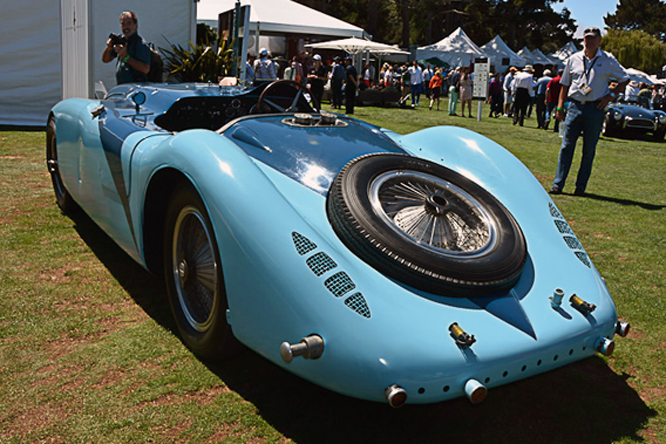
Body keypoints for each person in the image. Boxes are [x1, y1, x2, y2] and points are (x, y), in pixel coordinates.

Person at [549, 27, 629, 196]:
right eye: (587, 38)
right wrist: (560, 106)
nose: (589, 41)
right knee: (566, 147)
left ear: (599, 40)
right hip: (575, 106)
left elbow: (625, 79)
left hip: (595, 108)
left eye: (593, 38)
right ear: (583, 40)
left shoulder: (607, 59)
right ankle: (558, 184)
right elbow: (565, 84)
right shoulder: (573, 58)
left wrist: (610, 96)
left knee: (589, 149)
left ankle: (580, 187)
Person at [102, 11, 151, 85]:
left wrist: (125, 56)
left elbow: (145, 69)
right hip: (122, 87)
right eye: (123, 24)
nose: (125, 27)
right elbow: (105, 60)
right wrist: (109, 48)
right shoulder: (121, 41)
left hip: (136, 89)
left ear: (136, 25)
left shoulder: (140, 44)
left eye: (129, 23)